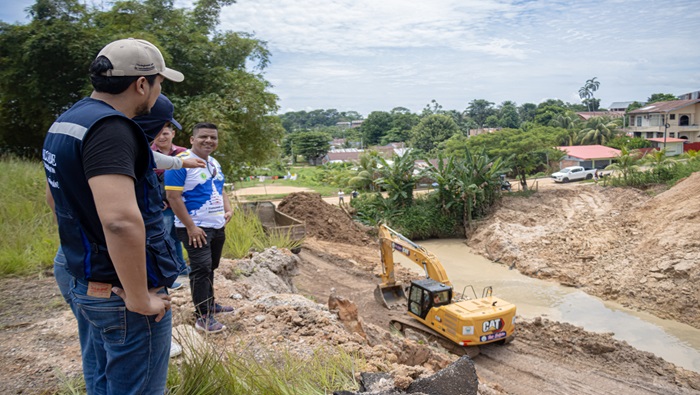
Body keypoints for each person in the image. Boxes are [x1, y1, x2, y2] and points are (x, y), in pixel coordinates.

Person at [42, 38, 184, 394]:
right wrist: (139, 297)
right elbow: (120, 221)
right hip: (120, 295)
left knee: (102, 380)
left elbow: (54, 199)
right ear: (141, 84)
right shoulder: (112, 129)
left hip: (84, 278)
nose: (158, 89)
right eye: (159, 81)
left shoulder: (69, 119)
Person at [165, 122, 234, 333]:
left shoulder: (213, 163)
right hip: (195, 227)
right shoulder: (180, 163)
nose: (209, 141)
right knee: (201, 268)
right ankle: (203, 315)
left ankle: (210, 303)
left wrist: (228, 208)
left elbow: (219, 188)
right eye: (203, 136)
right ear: (192, 140)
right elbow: (173, 197)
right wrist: (191, 227)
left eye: (213, 137)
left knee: (210, 266)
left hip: (216, 225)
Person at [144, 99, 191, 283]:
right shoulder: (147, 153)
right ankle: (169, 272)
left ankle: (180, 267)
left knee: (178, 236)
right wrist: (158, 200)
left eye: (165, 133)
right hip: (162, 205)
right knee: (163, 238)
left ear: (172, 133)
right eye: (158, 134)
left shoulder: (184, 153)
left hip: (180, 203)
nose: (162, 137)